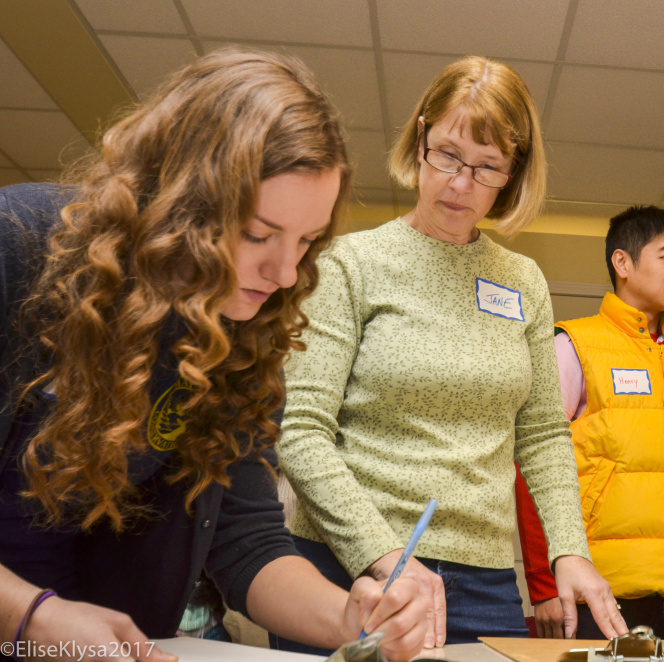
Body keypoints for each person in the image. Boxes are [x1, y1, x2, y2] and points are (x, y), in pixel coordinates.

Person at [0, 50, 428, 662]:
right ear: (181, 200)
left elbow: (247, 541)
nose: (285, 272)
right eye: (257, 234)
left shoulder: (238, 327)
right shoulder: (16, 246)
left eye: (306, 241)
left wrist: (348, 616)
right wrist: (33, 619)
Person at [275, 55, 627, 651]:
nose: (461, 183)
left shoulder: (523, 282)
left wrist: (570, 550)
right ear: (420, 140)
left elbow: (542, 433)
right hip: (347, 568)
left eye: (487, 167)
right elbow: (302, 430)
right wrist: (383, 555)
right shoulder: (349, 264)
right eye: (447, 155)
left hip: (484, 583)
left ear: (513, 174)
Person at [515, 206, 664, 639]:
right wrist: (543, 582)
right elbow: (533, 462)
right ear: (622, 263)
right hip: (604, 595)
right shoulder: (573, 344)